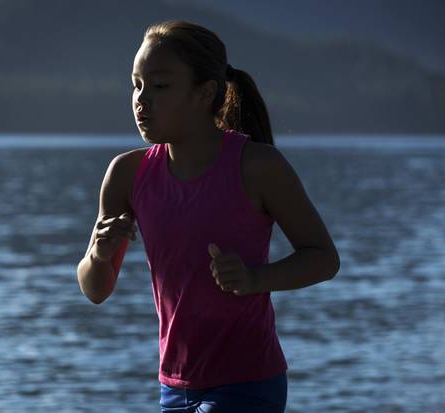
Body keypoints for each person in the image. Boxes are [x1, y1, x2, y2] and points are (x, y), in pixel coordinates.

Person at [76, 19, 340, 413]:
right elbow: (95, 290)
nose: (141, 99)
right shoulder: (127, 175)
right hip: (175, 386)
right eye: (136, 84)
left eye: (160, 86)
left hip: (248, 382)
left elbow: (323, 257)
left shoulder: (257, 166)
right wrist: (98, 254)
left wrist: (254, 279)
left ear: (204, 94)